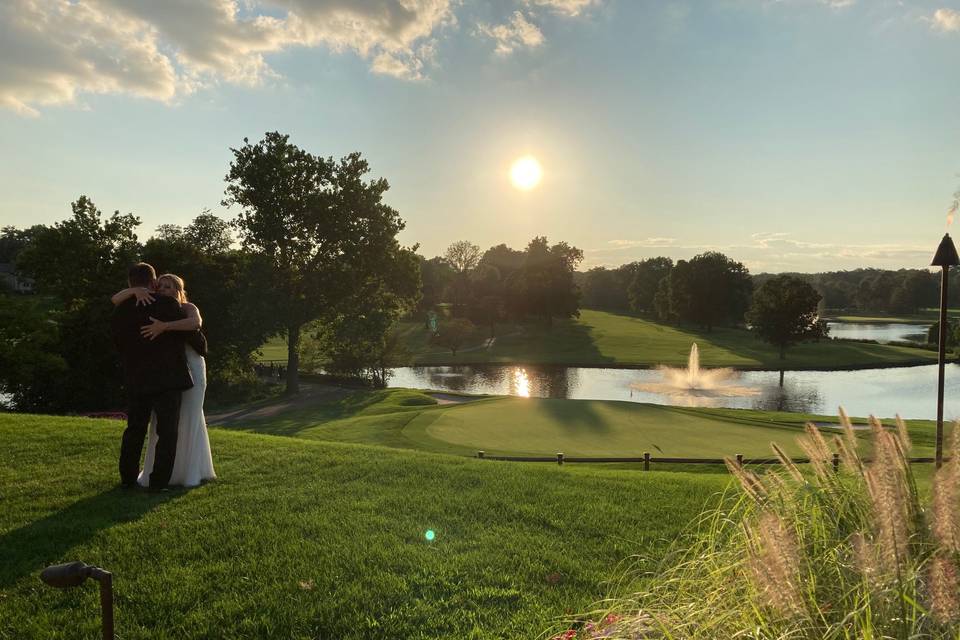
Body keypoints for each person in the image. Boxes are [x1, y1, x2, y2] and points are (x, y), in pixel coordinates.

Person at [112, 273, 216, 488]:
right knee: (165, 424)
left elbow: (195, 323)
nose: (164, 290)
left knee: (189, 417)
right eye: (161, 286)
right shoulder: (156, 305)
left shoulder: (186, 308)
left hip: (192, 366)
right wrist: (134, 290)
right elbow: (115, 298)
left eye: (169, 287)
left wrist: (164, 326)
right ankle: (161, 473)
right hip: (169, 373)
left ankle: (190, 469)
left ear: (179, 290)